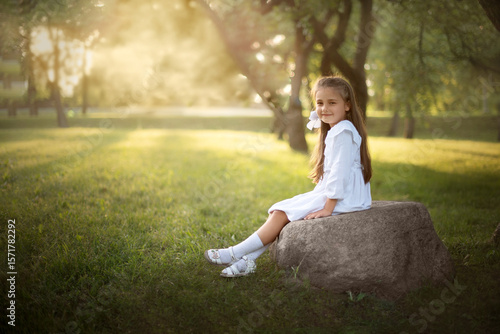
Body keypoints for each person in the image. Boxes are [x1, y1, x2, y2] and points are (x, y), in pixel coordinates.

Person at [204, 76, 372, 277]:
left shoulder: (343, 132)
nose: (324, 108)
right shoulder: (338, 129)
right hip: (341, 195)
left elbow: (340, 173)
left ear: (347, 106)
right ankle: (246, 262)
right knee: (281, 212)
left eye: (332, 103)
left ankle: (233, 253)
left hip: (345, 198)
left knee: (281, 213)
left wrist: (328, 208)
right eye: (320, 103)